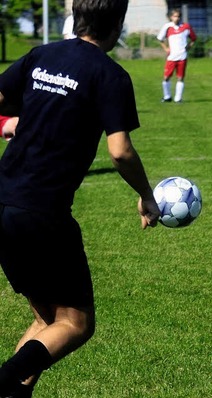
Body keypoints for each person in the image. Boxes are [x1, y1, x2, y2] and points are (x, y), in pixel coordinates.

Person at [0, 0, 161, 396]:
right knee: (76, 323)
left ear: (76, 15)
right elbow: (120, 151)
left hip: (3, 200)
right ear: (118, 23)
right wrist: (146, 195)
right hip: (42, 213)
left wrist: (11, 121)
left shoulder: (42, 55)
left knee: (47, 319)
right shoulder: (110, 75)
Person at [157, 8, 197, 103]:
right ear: (171, 17)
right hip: (171, 57)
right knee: (166, 77)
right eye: (175, 16)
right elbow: (160, 39)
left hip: (182, 56)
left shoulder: (186, 27)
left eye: (178, 16)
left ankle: (178, 98)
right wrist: (166, 48)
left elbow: (193, 38)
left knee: (180, 77)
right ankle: (167, 96)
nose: (177, 18)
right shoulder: (167, 27)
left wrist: (188, 47)